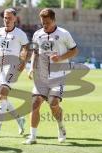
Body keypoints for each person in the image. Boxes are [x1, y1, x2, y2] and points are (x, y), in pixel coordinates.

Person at [24, 8, 78, 144]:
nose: (45, 25)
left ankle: (61, 127)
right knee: (35, 103)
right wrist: (31, 68)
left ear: (54, 20)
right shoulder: (37, 34)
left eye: (47, 22)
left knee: (53, 103)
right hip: (40, 75)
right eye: (43, 23)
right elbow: (35, 52)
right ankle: (33, 136)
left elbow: (74, 50)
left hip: (58, 75)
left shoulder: (64, 34)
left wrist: (60, 58)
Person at [0, 8, 29, 137]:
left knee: (3, 93)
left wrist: (22, 65)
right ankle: (20, 120)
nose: (7, 20)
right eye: (5, 17)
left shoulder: (20, 34)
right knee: (1, 97)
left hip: (12, 67)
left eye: (9, 18)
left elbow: (26, 50)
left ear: (15, 19)